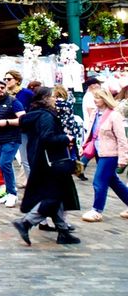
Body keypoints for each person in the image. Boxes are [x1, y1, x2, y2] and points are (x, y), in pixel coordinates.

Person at [12, 87, 81, 246]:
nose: (55, 99)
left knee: (58, 195)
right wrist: (66, 138)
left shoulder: (36, 115)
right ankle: (26, 222)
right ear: (45, 99)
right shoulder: (46, 117)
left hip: (43, 159)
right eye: (52, 97)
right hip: (52, 162)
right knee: (54, 196)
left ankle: (63, 232)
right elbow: (47, 138)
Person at [80, 89, 128, 223]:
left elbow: (122, 139)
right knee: (113, 181)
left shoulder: (114, 115)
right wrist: (84, 146)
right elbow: (91, 132)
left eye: (98, 98)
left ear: (105, 99)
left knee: (99, 180)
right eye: (95, 97)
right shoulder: (95, 113)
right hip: (98, 151)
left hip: (110, 153)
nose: (95, 100)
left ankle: (97, 210)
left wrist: (123, 158)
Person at [0, 79, 25, 208]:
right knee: (1, 166)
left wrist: (7, 122)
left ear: (5, 89)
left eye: (2, 87)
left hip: (11, 138)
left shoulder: (13, 102)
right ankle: (8, 192)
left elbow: (23, 119)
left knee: (6, 164)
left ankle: (12, 194)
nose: (0, 90)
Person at [4, 70, 32, 186]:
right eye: (5, 79)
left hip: (24, 129)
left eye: (9, 79)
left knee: (25, 159)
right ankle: (9, 184)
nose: (6, 81)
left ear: (17, 80)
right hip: (8, 130)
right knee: (7, 160)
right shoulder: (4, 94)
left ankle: (32, 184)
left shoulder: (26, 93)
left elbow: (33, 109)